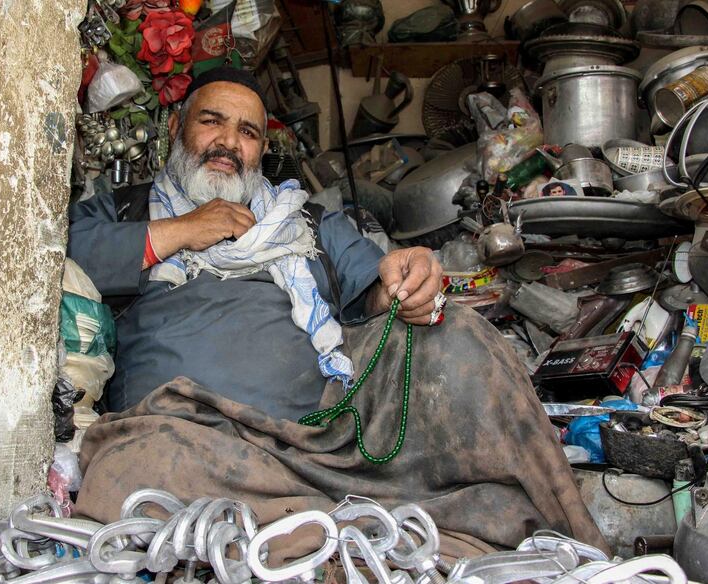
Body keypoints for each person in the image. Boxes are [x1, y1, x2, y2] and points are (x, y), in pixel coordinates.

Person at [68, 67, 608, 557]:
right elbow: (52, 263)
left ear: (260, 151)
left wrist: (408, 278)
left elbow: (377, 287)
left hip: (328, 437)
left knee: (457, 334)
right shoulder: (122, 209)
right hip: (193, 435)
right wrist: (182, 230)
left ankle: (572, 544)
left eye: (248, 133)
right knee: (129, 470)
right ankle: (344, 535)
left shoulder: (303, 219)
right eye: (212, 122)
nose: (229, 143)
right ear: (177, 130)